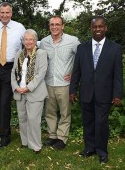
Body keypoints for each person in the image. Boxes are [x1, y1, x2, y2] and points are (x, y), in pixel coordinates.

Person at [69, 16, 123, 164]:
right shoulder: (82, 48)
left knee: (101, 123)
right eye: (95, 27)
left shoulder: (115, 48)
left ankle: (102, 152)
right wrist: (72, 90)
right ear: (91, 29)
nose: (97, 29)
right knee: (88, 122)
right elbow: (76, 71)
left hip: (105, 94)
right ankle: (89, 148)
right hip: (86, 93)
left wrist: (117, 94)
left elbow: (118, 74)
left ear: (105, 28)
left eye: (100, 26)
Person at [0, 2, 26, 149]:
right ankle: (6, 128)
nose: (4, 15)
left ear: (11, 13)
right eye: (2, 12)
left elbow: (27, 45)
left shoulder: (19, 27)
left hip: (11, 68)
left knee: (4, 102)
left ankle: (5, 136)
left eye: (7, 12)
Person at [40, 15, 80, 150]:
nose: (55, 27)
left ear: (62, 26)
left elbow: (82, 59)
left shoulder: (73, 41)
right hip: (48, 82)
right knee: (49, 112)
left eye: (57, 24)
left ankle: (62, 138)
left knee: (65, 112)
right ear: (49, 26)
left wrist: (75, 75)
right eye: (52, 24)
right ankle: (52, 135)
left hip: (65, 84)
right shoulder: (44, 42)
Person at [11, 29, 48, 153]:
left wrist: (28, 88)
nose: (28, 42)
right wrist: (15, 86)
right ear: (23, 41)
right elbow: (13, 72)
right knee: (22, 118)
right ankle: (25, 142)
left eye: (31, 39)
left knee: (33, 119)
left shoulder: (41, 53)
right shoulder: (19, 54)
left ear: (35, 41)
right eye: (25, 39)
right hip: (19, 91)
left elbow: (41, 74)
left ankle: (36, 145)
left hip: (34, 92)